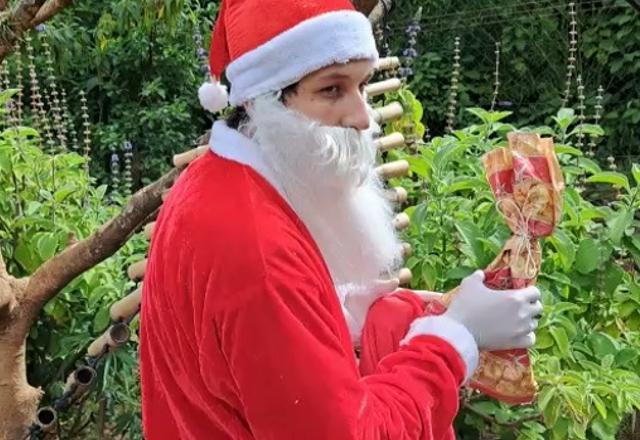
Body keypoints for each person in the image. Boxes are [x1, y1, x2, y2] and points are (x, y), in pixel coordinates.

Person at [139, 0, 543, 438]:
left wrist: (358, 312)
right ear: (264, 101)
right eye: (331, 90)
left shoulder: (213, 180)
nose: (361, 116)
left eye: (361, 86)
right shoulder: (261, 254)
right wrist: (453, 338)